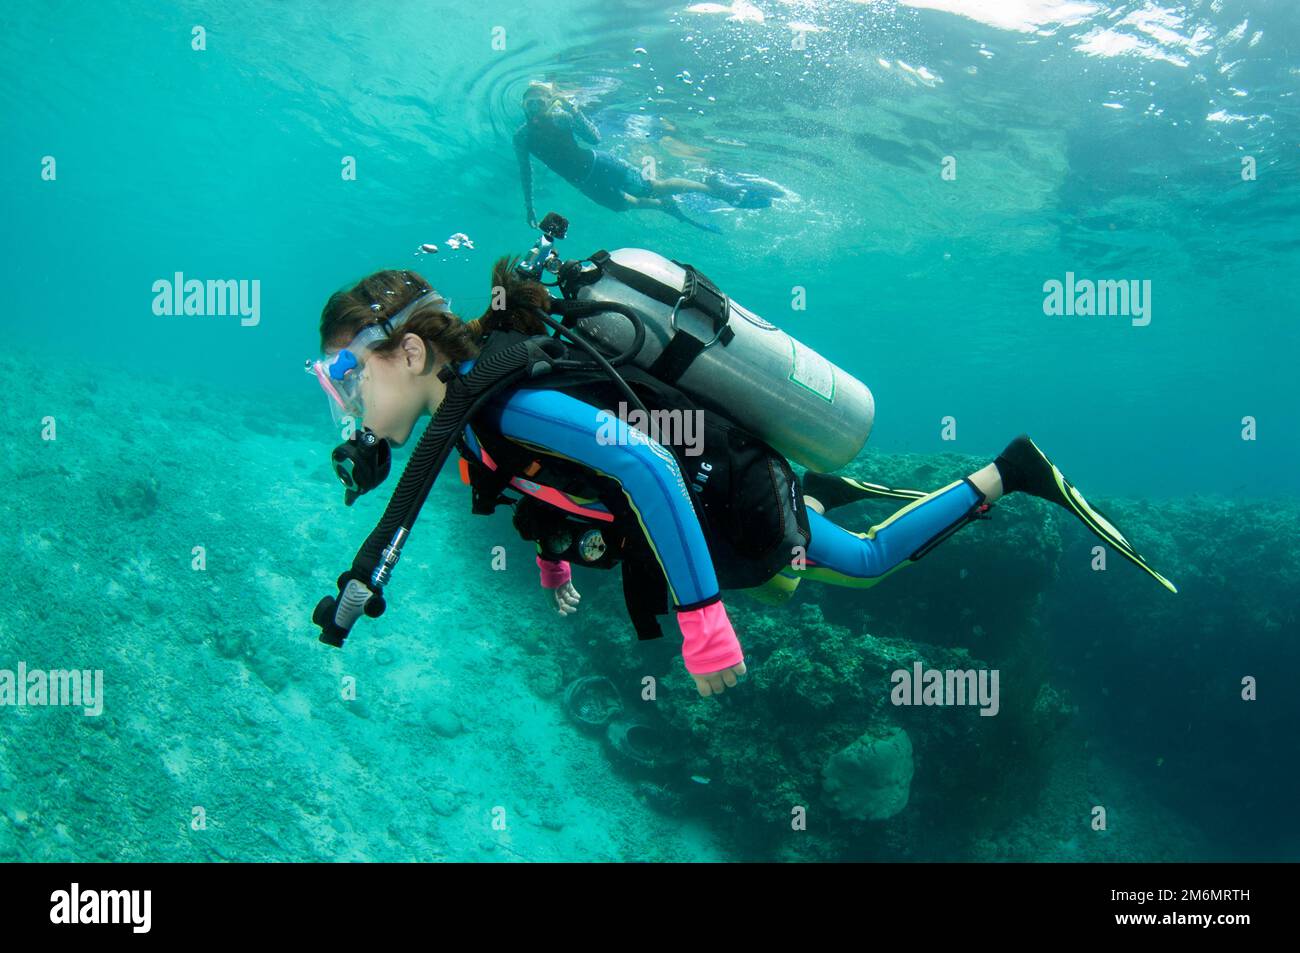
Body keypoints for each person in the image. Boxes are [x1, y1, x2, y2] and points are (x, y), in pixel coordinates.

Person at [310, 263, 1176, 698]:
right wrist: (554, 557)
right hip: (712, 489)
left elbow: (643, 462)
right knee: (794, 573)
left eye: (350, 376)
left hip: (728, 490)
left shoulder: (508, 404)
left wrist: (703, 625)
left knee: (862, 565)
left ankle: (1008, 471)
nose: (350, 403)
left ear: (411, 352)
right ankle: (817, 497)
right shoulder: (471, 414)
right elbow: (552, 484)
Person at [513, 81, 748, 231]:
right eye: (530, 103)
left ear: (549, 103)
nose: (534, 108)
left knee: (652, 187)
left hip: (600, 164)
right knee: (625, 205)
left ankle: (712, 188)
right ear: (523, 105)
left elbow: (595, 138)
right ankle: (663, 206)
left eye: (539, 103)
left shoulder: (561, 118)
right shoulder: (521, 137)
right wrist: (529, 207)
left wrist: (573, 110)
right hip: (583, 184)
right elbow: (525, 171)